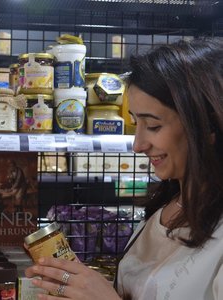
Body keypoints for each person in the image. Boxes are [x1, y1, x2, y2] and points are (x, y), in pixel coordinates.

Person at [25, 38, 223, 299]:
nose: (138, 145)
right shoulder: (168, 207)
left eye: (153, 126)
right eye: (135, 124)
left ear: (209, 126)